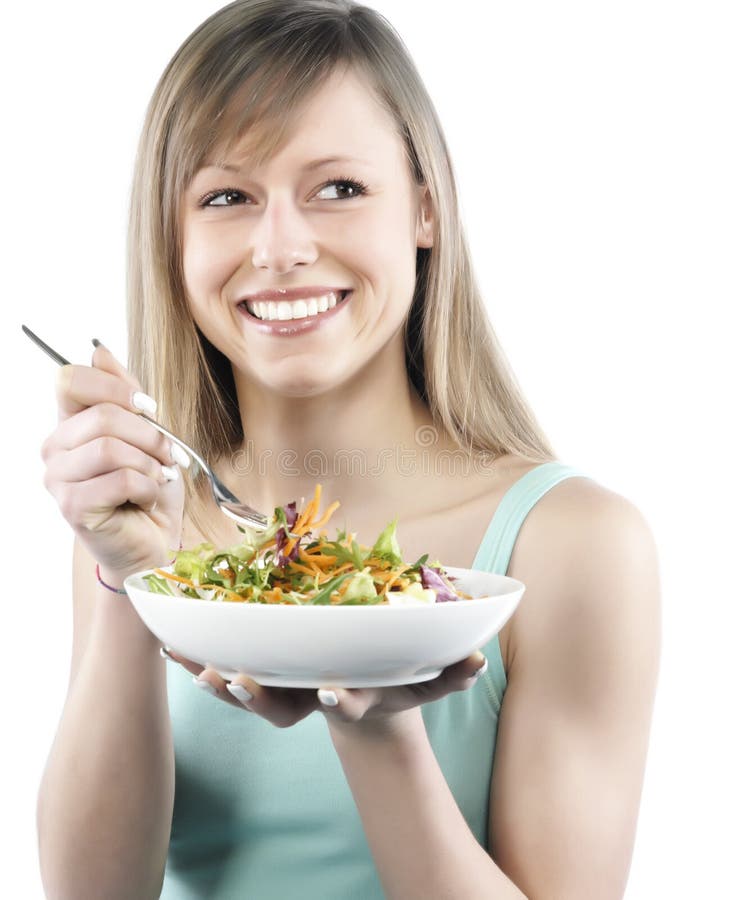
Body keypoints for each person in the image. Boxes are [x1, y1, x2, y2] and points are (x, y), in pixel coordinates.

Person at [35, 1, 661, 897]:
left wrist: (374, 721)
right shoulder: (140, 522)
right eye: (226, 196)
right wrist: (127, 586)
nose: (280, 247)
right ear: (172, 241)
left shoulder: (573, 542)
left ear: (424, 210)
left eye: (337, 188)